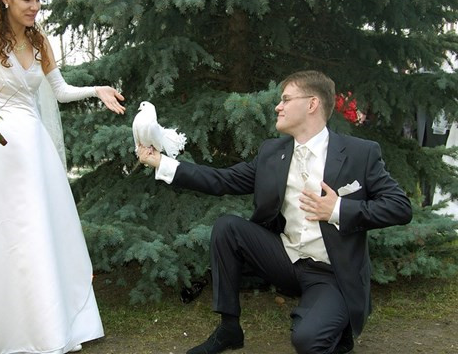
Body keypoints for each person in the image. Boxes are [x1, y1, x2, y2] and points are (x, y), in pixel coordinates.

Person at [138, 70, 412, 354]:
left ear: (312, 104)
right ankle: (229, 329)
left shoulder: (359, 153)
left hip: (331, 273)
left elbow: (400, 207)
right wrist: (161, 163)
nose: (278, 107)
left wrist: (338, 209)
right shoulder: (272, 153)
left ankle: (333, 325)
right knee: (227, 228)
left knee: (308, 341)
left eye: (286, 99)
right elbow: (223, 180)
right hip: (285, 258)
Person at [0, 0, 126, 353]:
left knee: (41, 234)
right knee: (6, 237)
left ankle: (49, 327)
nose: (35, 6)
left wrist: (95, 90)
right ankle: (3, 331)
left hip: (35, 152)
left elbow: (59, 91)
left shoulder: (39, 41)